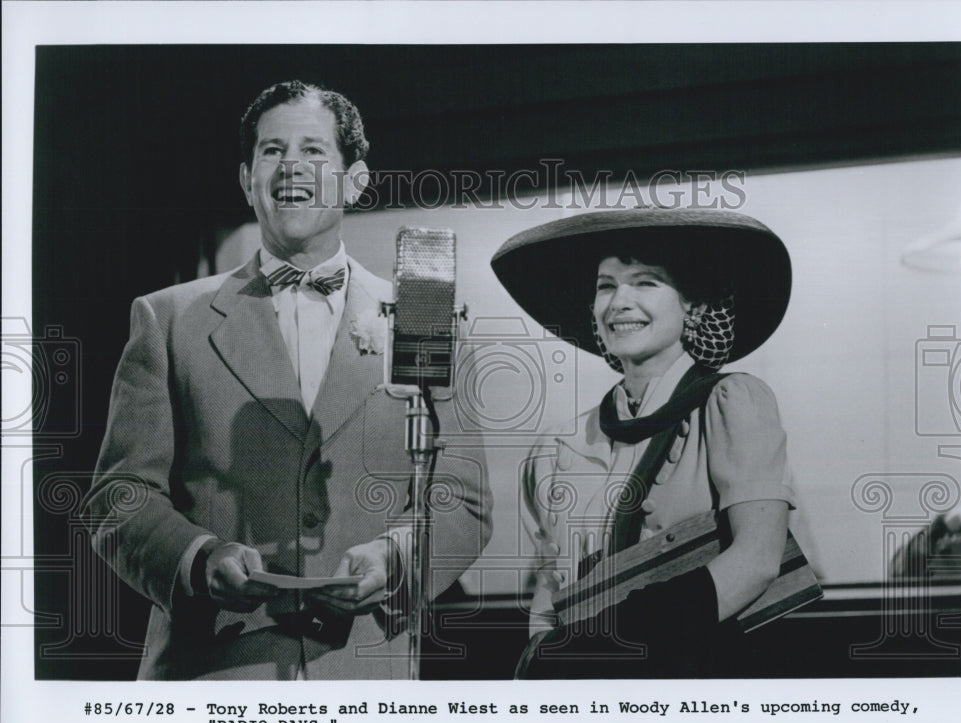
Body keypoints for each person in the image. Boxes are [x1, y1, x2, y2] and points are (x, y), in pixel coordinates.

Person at [83, 80, 492, 680]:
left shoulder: (421, 312)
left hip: (363, 679)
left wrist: (395, 558)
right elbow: (118, 499)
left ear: (356, 180)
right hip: (211, 677)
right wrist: (199, 559)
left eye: (314, 151)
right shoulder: (167, 319)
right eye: (272, 151)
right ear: (247, 180)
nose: (291, 166)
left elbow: (463, 496)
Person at [490, 208, 796, 678]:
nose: (619, 302)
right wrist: (541, 662)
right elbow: (551, 592)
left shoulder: (732, 404)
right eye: (606, 285)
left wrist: (617, 644)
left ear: (692, 304)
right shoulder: (558, 447)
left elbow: (757, 561)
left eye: (646, 282)